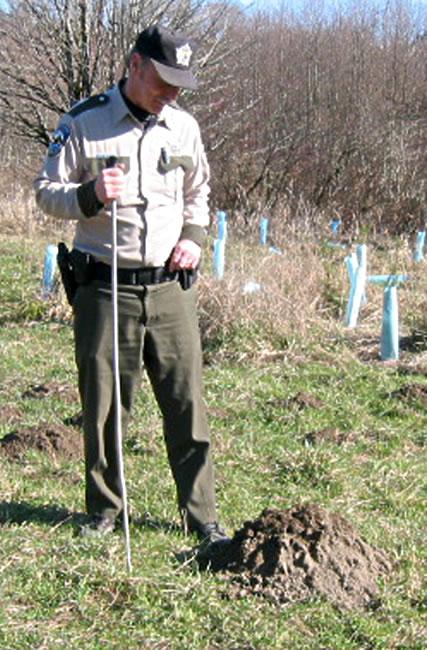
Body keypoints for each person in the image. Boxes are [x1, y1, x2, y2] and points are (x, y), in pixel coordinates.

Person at [34, 24, 228, 550]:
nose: (172, 92)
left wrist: (193, 236)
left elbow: (199, 192)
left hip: (170, 288)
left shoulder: (184, 128)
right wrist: (91, 194)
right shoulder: (83, 122)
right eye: (163, 79)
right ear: (134, 65)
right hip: (104, 285)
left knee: (187, 404)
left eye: (180, 83)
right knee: (104, 407)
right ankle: (104, 509)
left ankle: (201, 517)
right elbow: (45, 194)